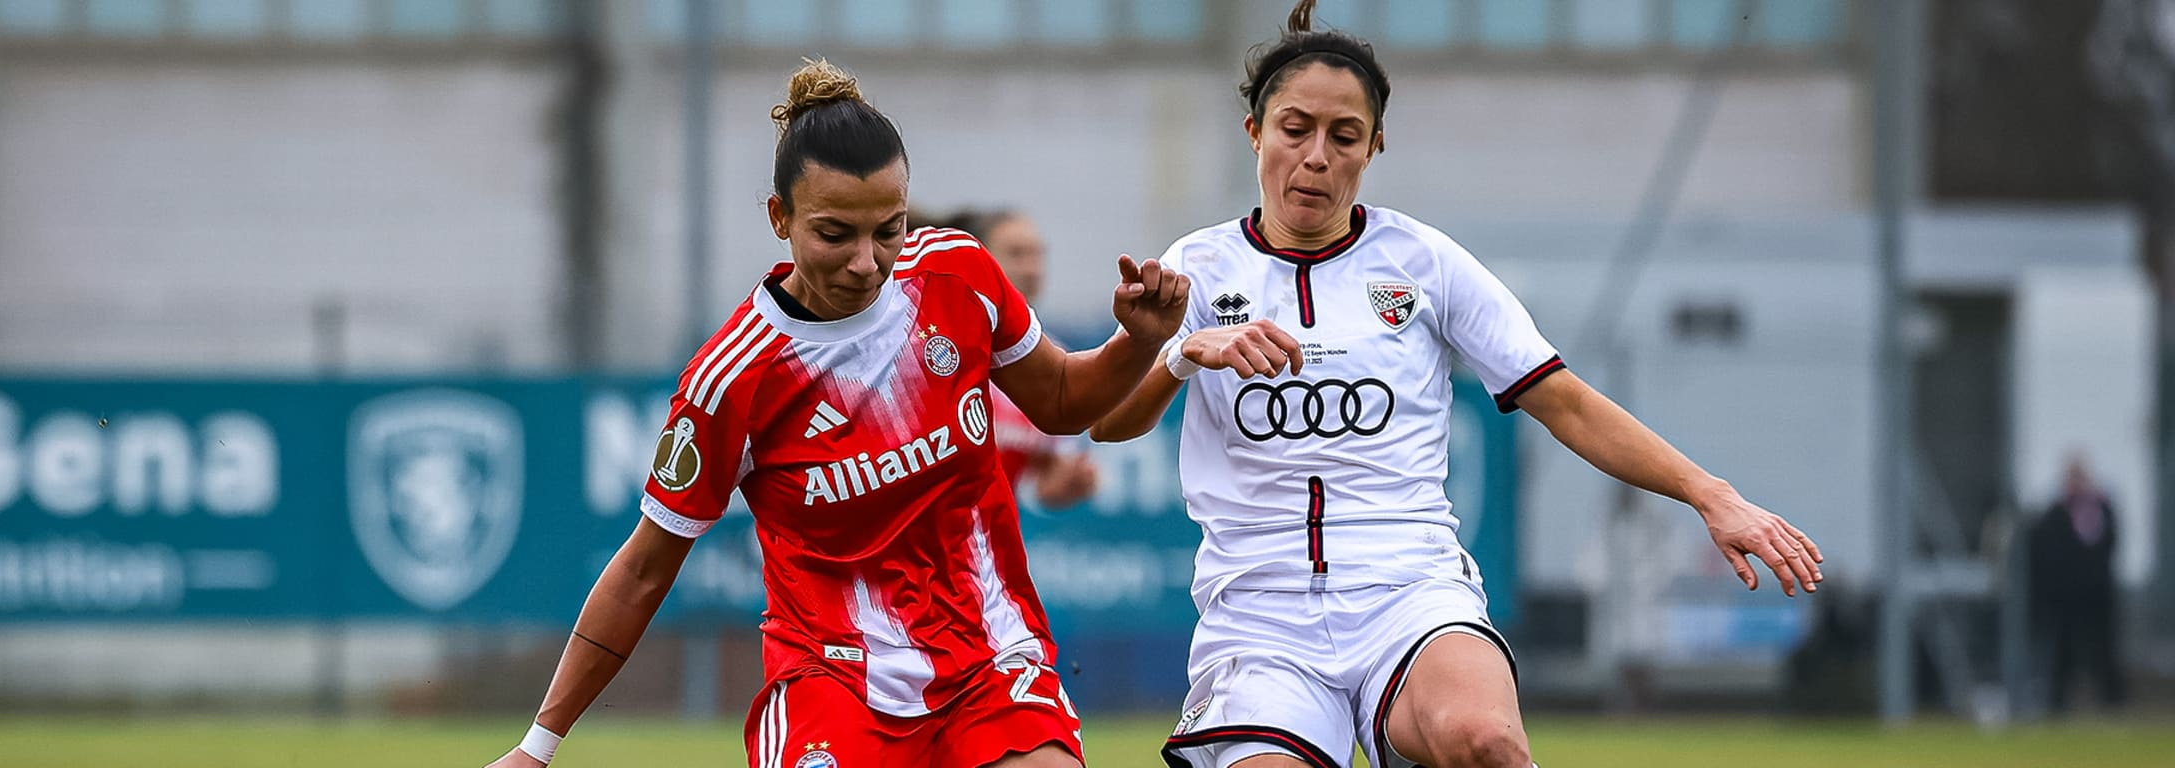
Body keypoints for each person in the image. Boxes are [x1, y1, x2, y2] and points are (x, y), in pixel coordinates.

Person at [1089, 4, 1824, 767]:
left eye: (1343, 137)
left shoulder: (1424, 263)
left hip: (1408, 592)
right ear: (1255, 132)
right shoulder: (1198, 269)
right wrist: (1181, 353)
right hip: (1261, 614)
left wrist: (1711, 494)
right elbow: (1106, 423)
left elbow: (1564, 400)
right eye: (1294, 129)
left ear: (1373, 147)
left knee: (1484, 742)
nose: (1315, 157)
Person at [486, 59, 1191, 768]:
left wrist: (1141, 341)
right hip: (833, 682)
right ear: (779, 217)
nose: (866, 262)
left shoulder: (958, 274)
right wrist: (537, 747)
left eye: (889, 230)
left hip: (990, 662)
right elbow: (642, 571)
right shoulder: (733, 379)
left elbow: (1064, 400)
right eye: (834, 234)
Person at [918, 208, 1101, 508]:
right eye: (1016, 254)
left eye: (1038, 255)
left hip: (993, 547)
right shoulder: (932, 350)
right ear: (977, 262)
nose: (1032, 269)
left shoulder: (1053, 361)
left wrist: (1058, 488)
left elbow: (1038, 484)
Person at [2028, 455, 2126, 713]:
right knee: (2063, 652)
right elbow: (2045, 552)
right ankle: (2058, 703)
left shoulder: (2102, 508)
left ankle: (2111, 702)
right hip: (2065, 597)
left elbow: (2111, 545)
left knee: (2102, 649)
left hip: (2096, 594)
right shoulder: (2056, 512)